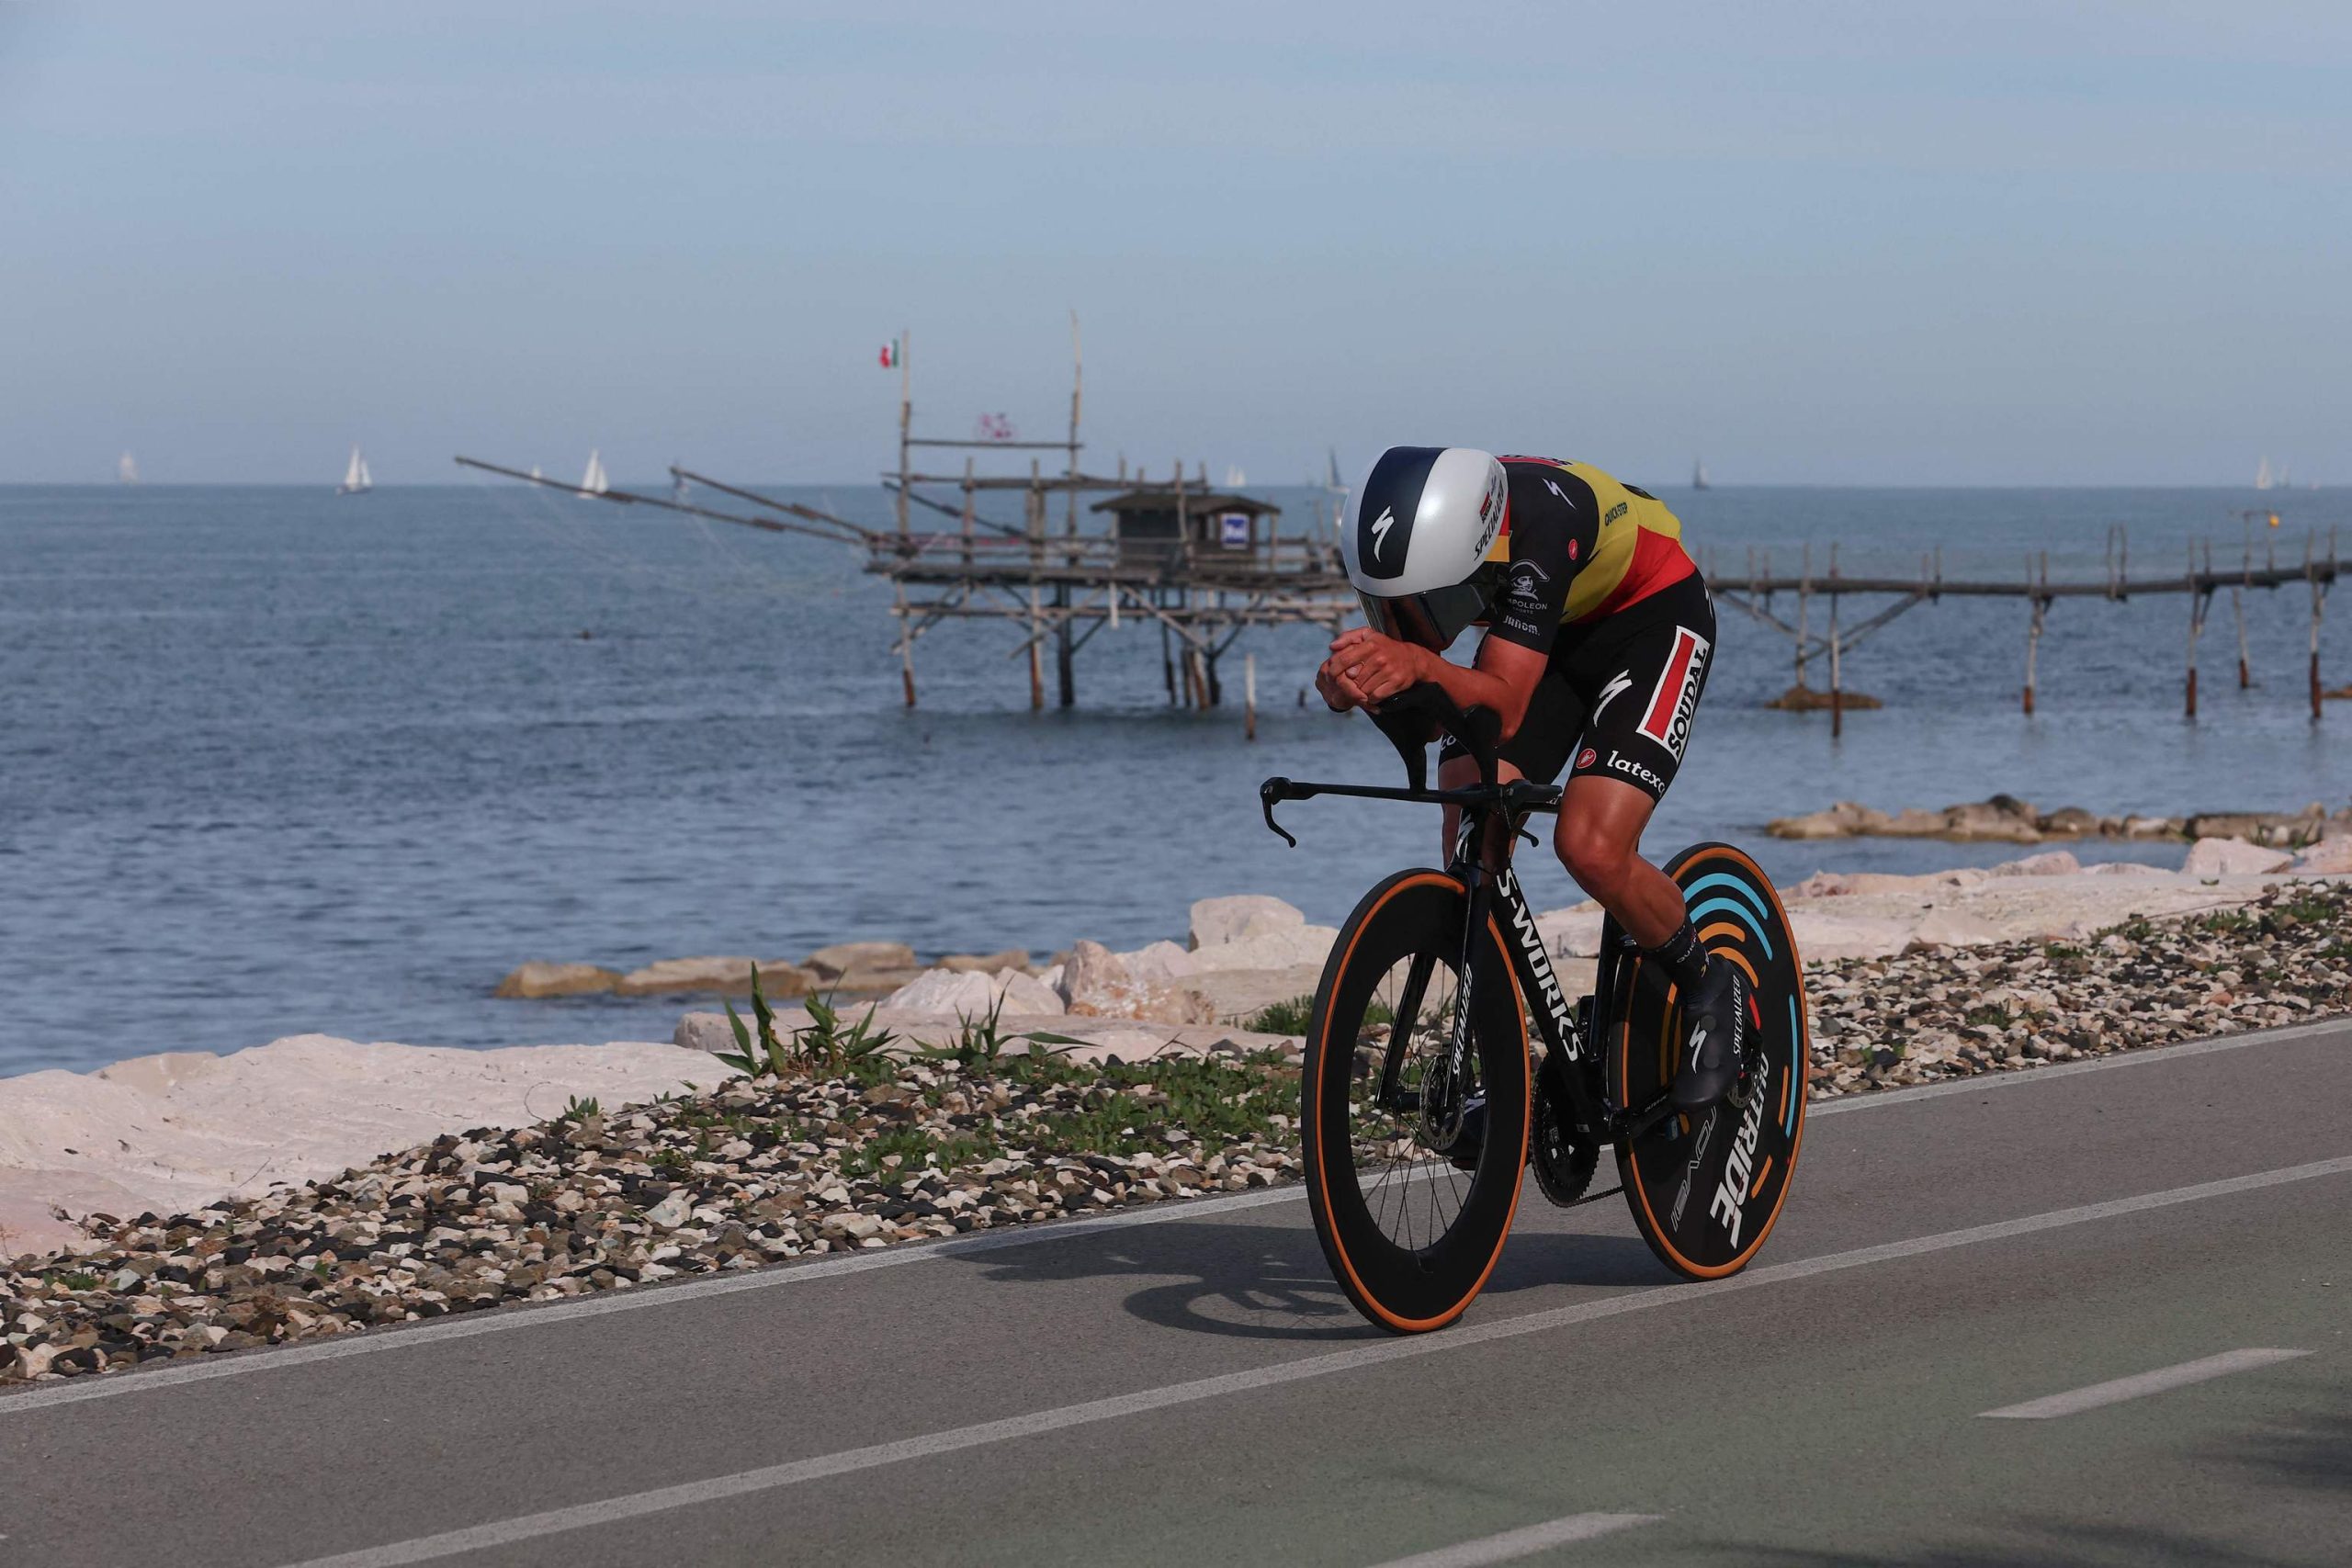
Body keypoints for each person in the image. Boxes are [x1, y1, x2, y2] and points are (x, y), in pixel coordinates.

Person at [1317, 446, 1746, 1113]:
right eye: (1394, 607)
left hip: (1655, 618)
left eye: (1425, 604)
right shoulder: (1441, 544)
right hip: (1552, 630)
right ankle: (1501, 1061)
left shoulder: (1542, 523)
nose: (1416, 621)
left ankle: (1709, 985)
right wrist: (1362, 687)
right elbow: (1437, 718)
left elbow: (1505, 707)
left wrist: (1418, 669)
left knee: (1591, 846)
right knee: (1468, 815)